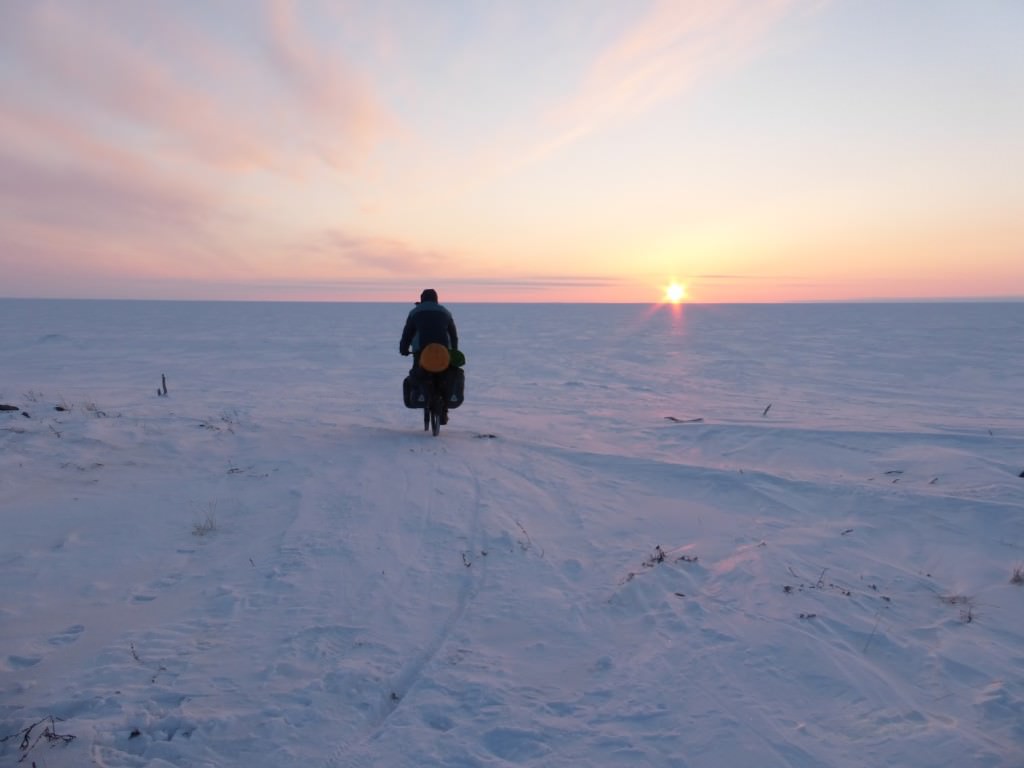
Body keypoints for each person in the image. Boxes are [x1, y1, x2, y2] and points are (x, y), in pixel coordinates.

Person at [400, 289, 459, 422]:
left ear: (422, 299)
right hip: (443, 352)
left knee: (418, 374)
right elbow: (453, 335)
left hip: (421, 352)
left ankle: (422, 396)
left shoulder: (415, 312)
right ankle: (443, 410)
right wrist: (454, 351)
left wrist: (404, 349)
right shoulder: (445, 312)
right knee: (445, 376)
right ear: (436, 299)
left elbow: (407, 334)